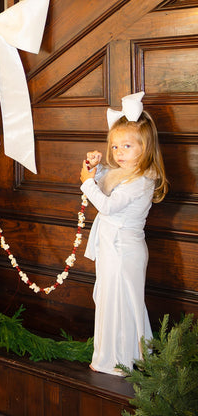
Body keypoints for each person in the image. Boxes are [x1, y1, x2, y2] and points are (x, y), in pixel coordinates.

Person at [79, 92, 168, 376]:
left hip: (122, 250)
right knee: (112, 300)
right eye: (115, 146)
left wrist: (87, 184)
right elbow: (106, 178)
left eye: (127, 146)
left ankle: (119, 360)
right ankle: (119, 355)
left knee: (121, 302)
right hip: (112, 248)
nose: (118, 152)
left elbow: (107, 205)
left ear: (145, 148)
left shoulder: (142, 180)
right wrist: (94, 167)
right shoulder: (124, 173)